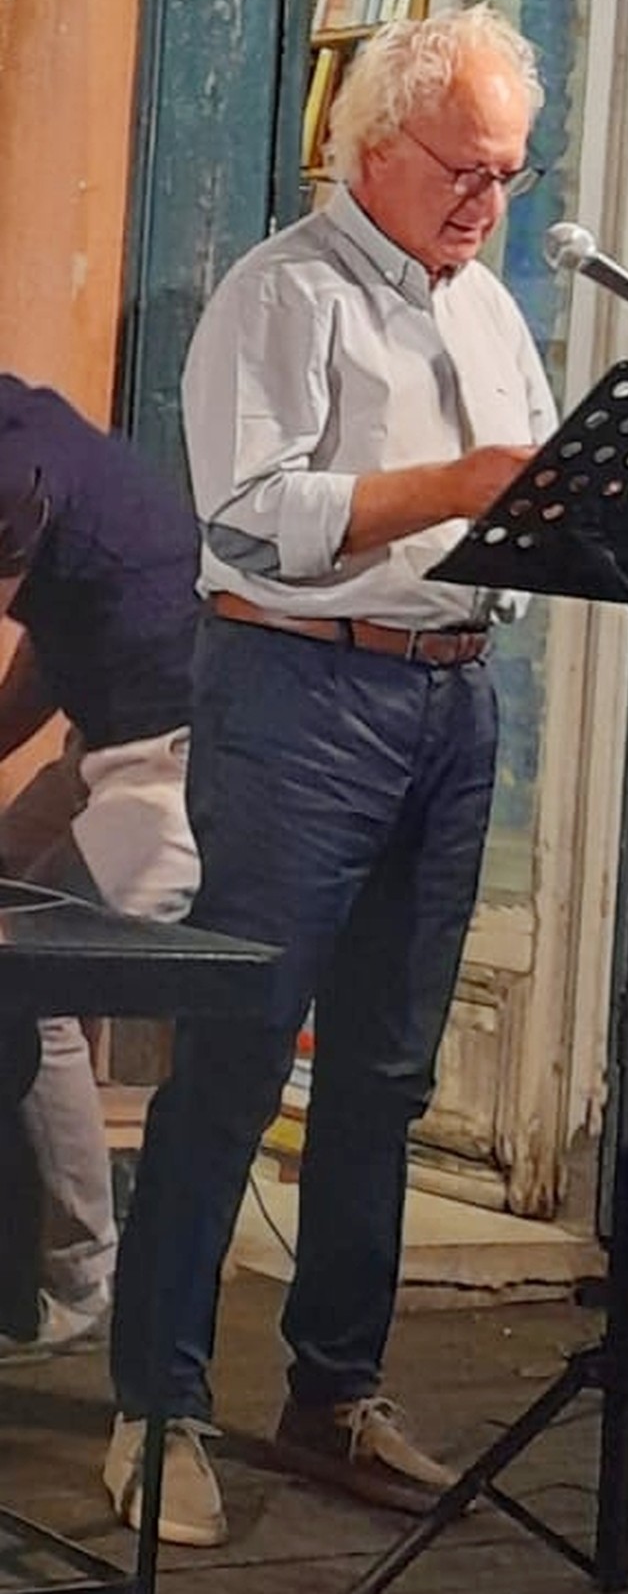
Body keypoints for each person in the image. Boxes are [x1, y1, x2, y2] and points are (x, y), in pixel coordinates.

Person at [103, 1, 557, 1549]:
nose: (487, 201)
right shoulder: (283, 291)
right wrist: (457, 485)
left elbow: (519, 497)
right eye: (464, 166)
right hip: (301, 693)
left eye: (508, 173)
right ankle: (158, 1407)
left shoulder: (491, 315)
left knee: (385, 1074)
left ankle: (335, 1391)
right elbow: (249, 514)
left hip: (452, 695)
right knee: (238, 1056)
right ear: (374, 144)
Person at [0, 375, 201, 1359]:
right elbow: (53, 638)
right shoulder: (33, 429)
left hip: (172, 771)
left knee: (27, 978)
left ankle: (77, 1279)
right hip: (103, 747)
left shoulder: (17, 461)